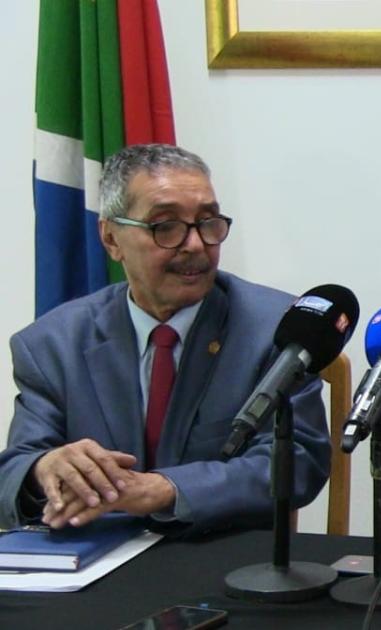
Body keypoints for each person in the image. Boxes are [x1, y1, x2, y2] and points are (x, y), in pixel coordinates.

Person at [0, 144, 330, 537]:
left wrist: (165, 490)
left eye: (208, 222)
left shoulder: (279, 330)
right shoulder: (52, 345)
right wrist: (43, 468)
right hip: (95, 555)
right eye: (166, 226)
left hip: (222, 554)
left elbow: (298, 460)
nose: (195, 244)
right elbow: (14, 471)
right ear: (111, 238)